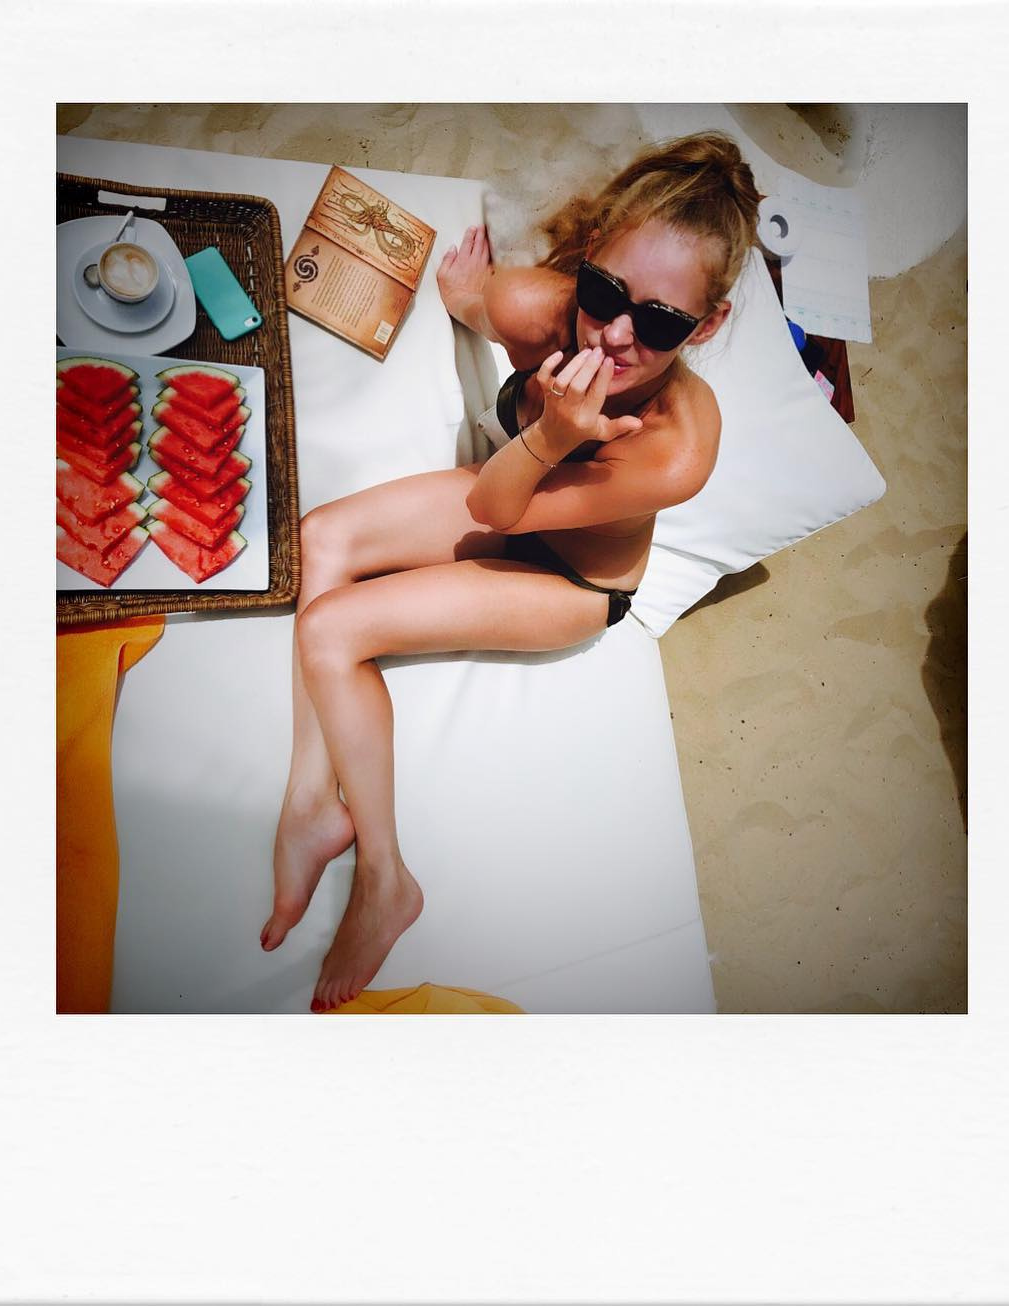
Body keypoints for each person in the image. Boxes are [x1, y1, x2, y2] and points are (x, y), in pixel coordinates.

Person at [260, 130, 763, 1012]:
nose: (615, 334)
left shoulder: (678, 448)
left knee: (331, 630)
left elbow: (498, 510)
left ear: (707, 326)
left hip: (569, 584)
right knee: (321, 537)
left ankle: (386, 878)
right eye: (605, 292)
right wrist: (467, 293)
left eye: (659, 322)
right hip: (513, 491)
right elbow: (476, 305)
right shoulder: (541, 306)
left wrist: (554, 435)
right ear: (588, 258)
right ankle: (311, 803)